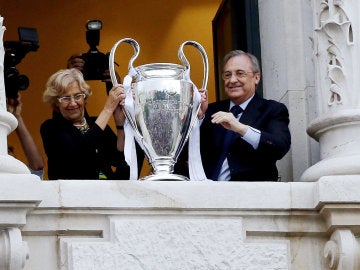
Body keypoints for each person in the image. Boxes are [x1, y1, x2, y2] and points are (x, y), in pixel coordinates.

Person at [199, 50, 291, 181]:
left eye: (240, 73)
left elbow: (280, 147)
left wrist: (240, 128)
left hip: (252, 195)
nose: (232, 80)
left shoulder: (272, 109)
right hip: (206, 194)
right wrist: (197, 119)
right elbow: (185, 156)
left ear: (256, 77)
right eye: (227, 75)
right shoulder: (209, 111)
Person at [40, 68, 139, 180]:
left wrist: (120, 123)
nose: (73, 103)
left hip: (107, 192)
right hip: (73, 194)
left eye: (77, 96)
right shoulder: (51, 128)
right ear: (56, 102)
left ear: (84, 97)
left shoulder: (94, 123)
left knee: (137, 146)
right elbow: (80, 152)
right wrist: (107, 110)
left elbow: (119, 159)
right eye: (66, 98)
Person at [7, 96, 45, 178]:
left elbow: (37, 167)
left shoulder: (20, 178)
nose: (9, 156)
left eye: (9, 151)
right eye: (6, 152)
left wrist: (17, 116)